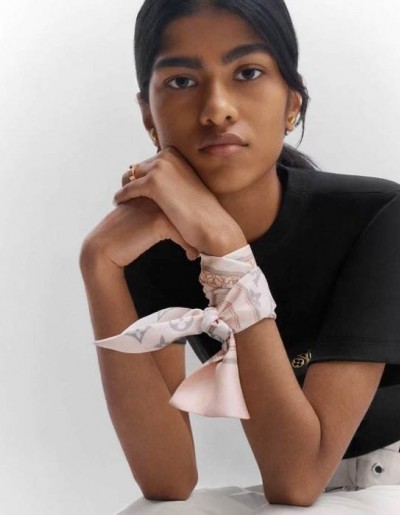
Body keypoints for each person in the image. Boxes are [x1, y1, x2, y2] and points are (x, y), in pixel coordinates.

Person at [79, 0, 400, 510]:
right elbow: (167, 481)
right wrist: (98, 263)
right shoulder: (148, 247)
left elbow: (296, 480)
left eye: (248, 73)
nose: (217, 109)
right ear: (147, 115)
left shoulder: (376, 215)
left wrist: (225, 248)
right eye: (182, 81)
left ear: (292, 103)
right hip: (312, 488)